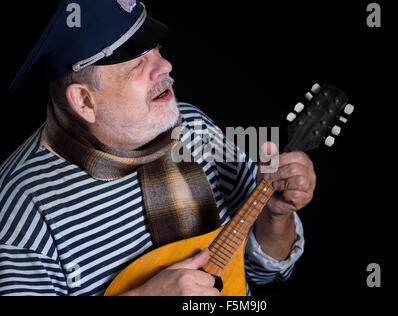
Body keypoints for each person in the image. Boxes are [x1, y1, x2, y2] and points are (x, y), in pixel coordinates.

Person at [0, 0, 315, 296]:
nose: (165, 65)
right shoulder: (20, 206)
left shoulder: (195, 127)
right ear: (85, 101)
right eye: (137, 64)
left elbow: (261, 272)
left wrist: (275, 216)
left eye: (157, 50)